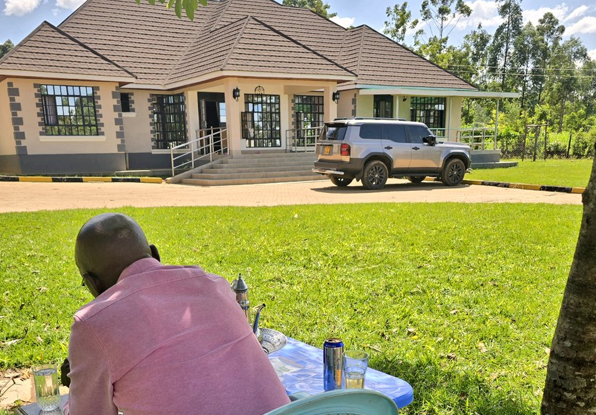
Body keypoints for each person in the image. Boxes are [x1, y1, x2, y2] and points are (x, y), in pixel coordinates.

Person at [62, 213, 290, 415]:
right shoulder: (214, 285)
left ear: (92, 283)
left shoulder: (95, 323)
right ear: (154, 254)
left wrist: (76, 392)